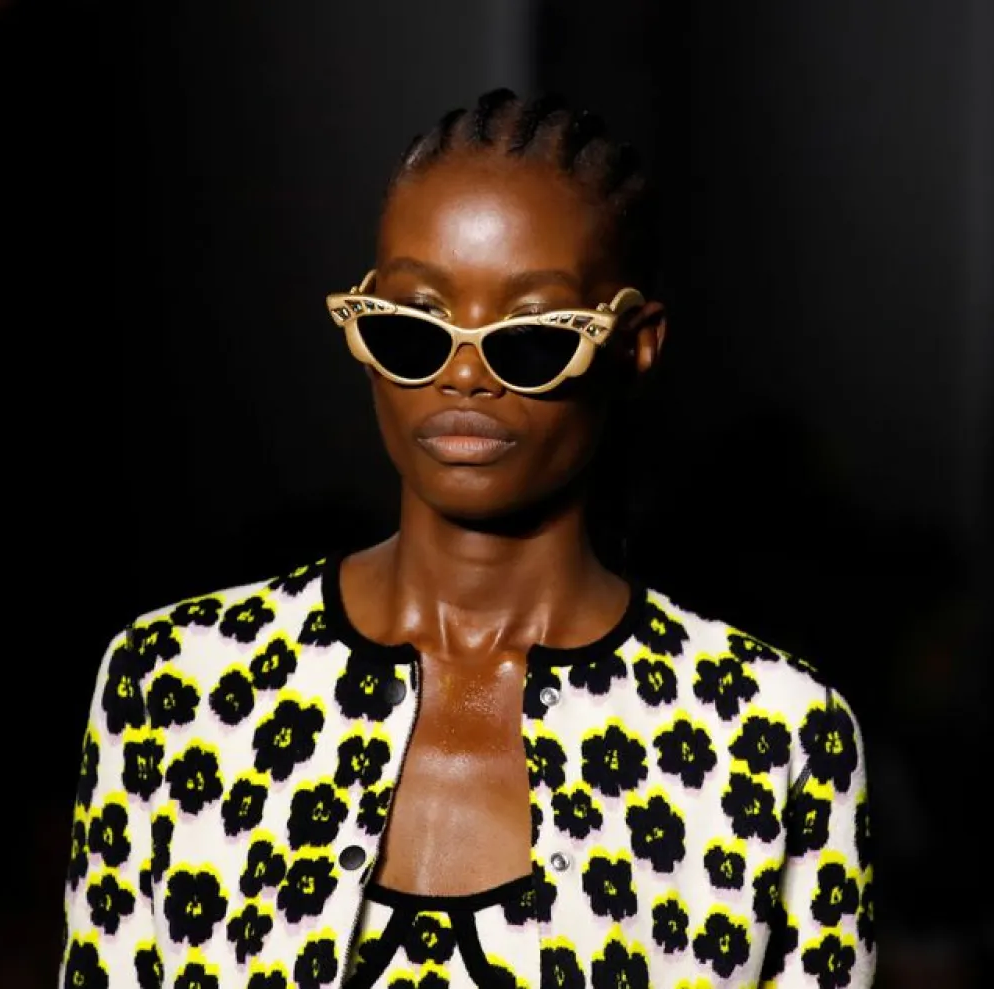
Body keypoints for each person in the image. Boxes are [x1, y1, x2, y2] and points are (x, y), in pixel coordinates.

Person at [60, 89, 874, 988]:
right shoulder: (180, 691)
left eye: (529, 337)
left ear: (635, 344)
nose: (462, 374)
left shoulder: (765, 736)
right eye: (411, 328)